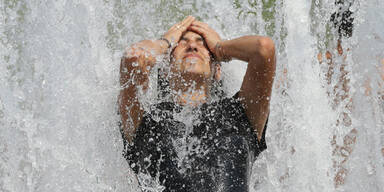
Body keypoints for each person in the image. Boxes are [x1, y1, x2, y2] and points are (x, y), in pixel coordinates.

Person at [119, 16, 275, 192]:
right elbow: (134, 58)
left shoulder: (241, 113)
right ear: (164, 70)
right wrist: (165, 42)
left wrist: (220, 47)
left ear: (217, 70)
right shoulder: (146, 120)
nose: (192, 46)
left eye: (202, 43)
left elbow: (263, 49)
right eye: (181, 42)